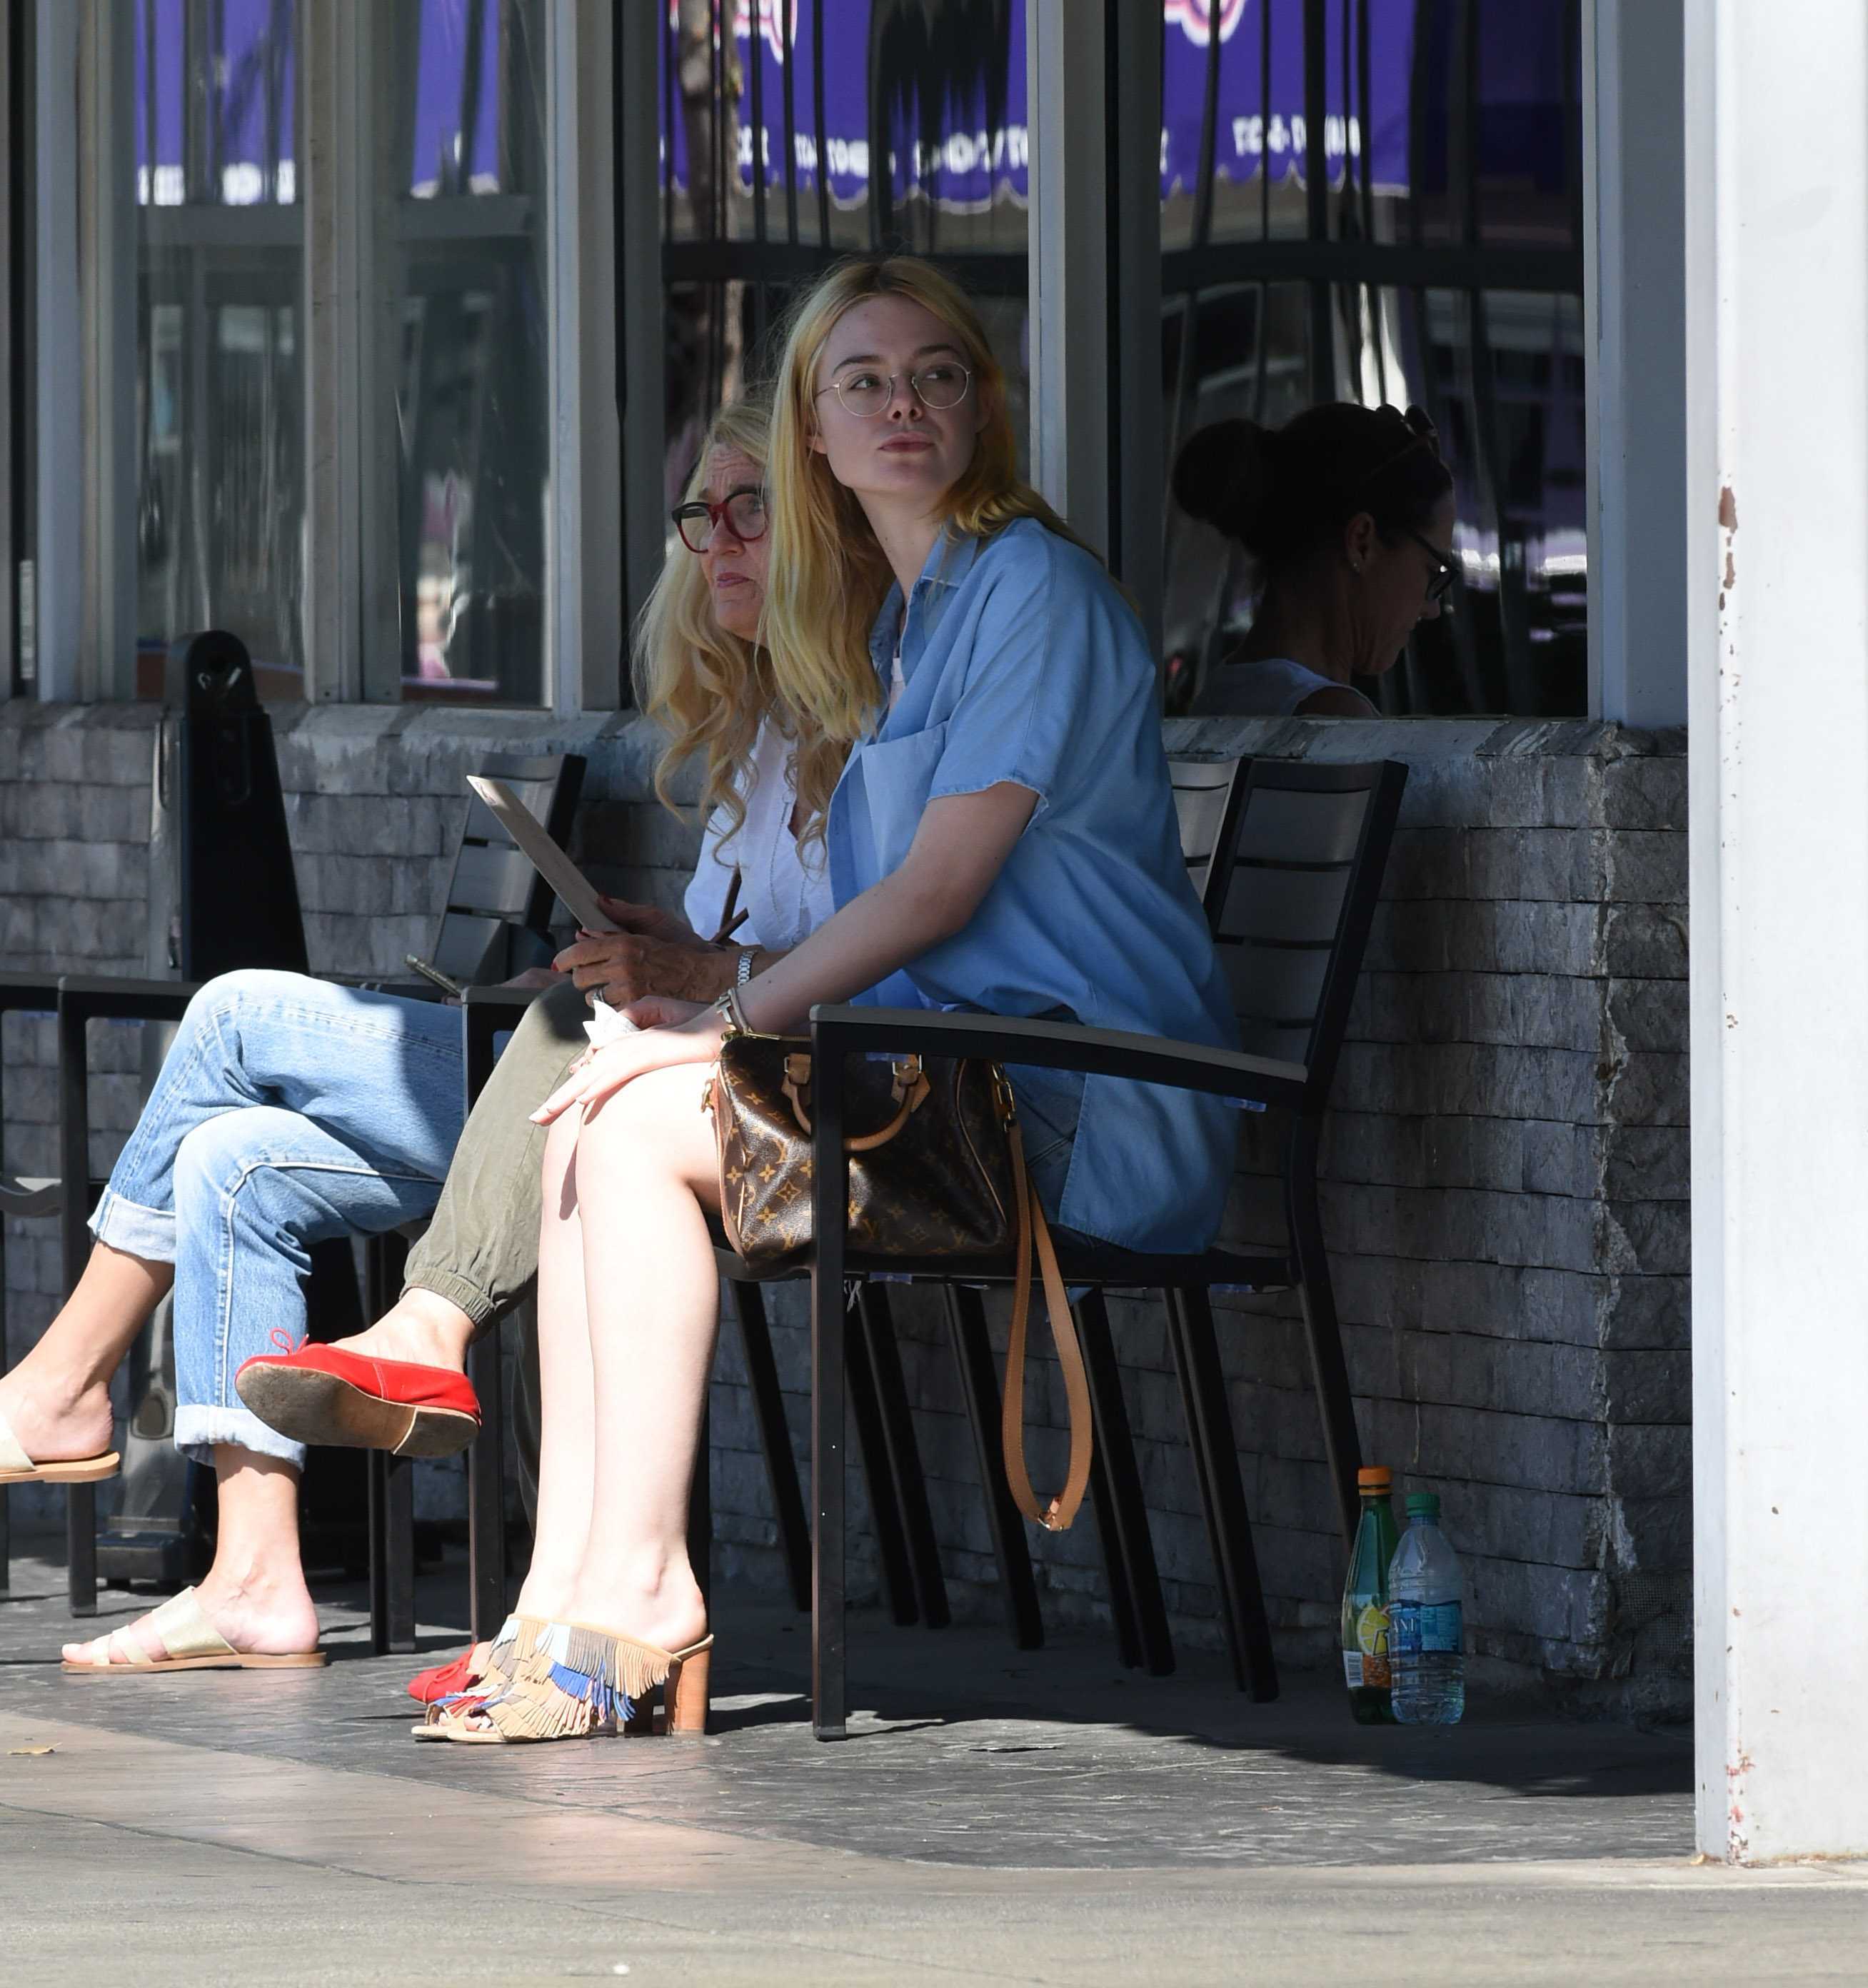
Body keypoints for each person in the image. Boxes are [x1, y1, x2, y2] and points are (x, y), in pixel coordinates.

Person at [358, 251, 1240, 1744]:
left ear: (982, 409)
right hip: (959, 1085)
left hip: (1083, 1106)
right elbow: (886, 931)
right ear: (813, 433)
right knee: (591, 1108)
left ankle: (643, 1593)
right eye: (864, 381)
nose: (905, 404)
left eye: (938, 375)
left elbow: (935, 896)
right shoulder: (905, 625)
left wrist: (726, 1022)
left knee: (638, 1122)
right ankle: (560, 1598)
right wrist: (704, 1010)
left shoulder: (1028, 585)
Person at [12, 399, 826, 1672]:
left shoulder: (873, 725)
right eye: (699, 515)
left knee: (231, 1015)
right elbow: (753, 950)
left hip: (674, 1092)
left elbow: (858, 965)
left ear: (821, 524)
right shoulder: (761, 734)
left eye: (751, 510)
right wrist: (667, 941)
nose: (717, 540)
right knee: (229, 1159)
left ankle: (63, 1382)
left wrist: (698, 969)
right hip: (595, 1069)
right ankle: (253, 1575)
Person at [1172, 402, 1457, 718]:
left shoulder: (1221, 694)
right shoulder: (1335, 718)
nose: (1432, 609)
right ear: (1362, 542)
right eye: (1433, 571)